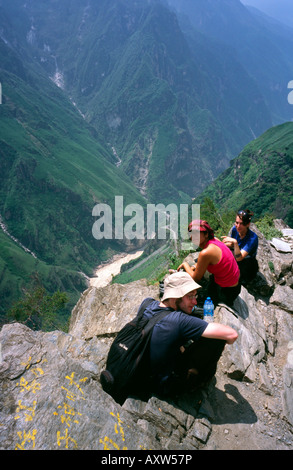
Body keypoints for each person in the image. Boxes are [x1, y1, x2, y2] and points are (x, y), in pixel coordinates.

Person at [140, 272, 238, 397]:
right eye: (190, 297)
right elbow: (232, 335)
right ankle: (200, 381)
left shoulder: (147, 303)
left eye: (195, 296)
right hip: (164, 385)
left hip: (145, 372)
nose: (195, 302)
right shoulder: (180, 320)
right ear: (175, 299)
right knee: (217, 339)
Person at [177, 220, 240, 307]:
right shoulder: (215, 240)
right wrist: (196, 266)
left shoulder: (206, 253)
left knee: (198, 294)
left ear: (206, 234)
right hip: (235, 286)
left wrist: (185, 265)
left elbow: (195, 279)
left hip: (226, 292)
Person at [221, 209, 259, 284]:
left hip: (248, 265)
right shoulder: (235, 229)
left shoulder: (252, 238)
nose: (238, 226)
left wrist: (234, 243)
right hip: (238, 255)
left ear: (247, 224)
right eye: (237, 222)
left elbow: (239, 258)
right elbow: (232, 245)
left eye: (241, 224)